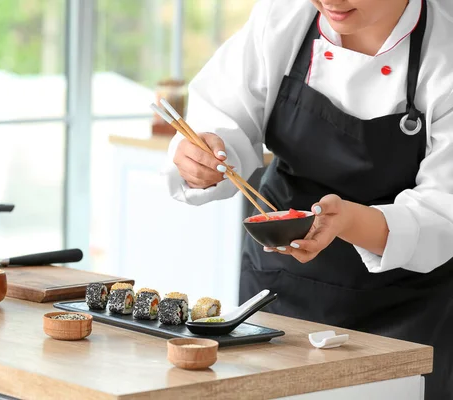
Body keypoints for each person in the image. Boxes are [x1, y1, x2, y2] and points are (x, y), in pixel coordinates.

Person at [164, 0, 453, 397]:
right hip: (281, 287)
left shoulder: (446, 46)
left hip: (407, 308)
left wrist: (347, 221)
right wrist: (204, 156)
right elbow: (221, 119)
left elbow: (445, 210)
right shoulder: (285, 16)